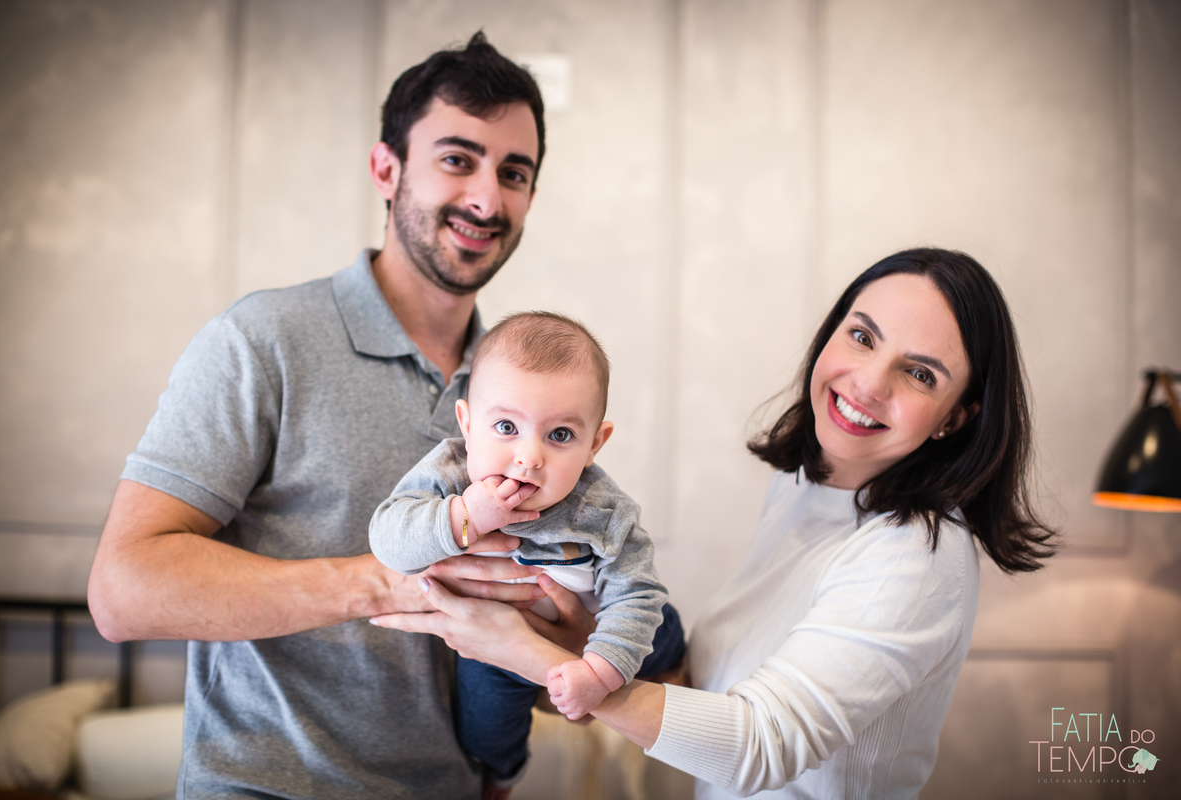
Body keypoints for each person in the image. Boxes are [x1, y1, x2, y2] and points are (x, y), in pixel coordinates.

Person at [374, 248, 1058, 799]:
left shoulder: (920, 555)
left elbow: (757, 747)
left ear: (959, 416)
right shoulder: (802, 489)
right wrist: (584, 643)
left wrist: (525, 653)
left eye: (919, 374)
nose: (868, 383)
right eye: (862, 335)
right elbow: (705, 690)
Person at [87, 32, 558, 799]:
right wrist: (381, 583)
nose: (486, 198)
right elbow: (123, 590)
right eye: (456, 158)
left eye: (514, 172)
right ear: (386, 168)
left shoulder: (523, 393)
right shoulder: (262, 340)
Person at [370, 311, 686, 788]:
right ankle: (500, 778)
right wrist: (466, 517)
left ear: (595, 445)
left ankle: (675, 664)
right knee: (485, 730)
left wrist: (598, 671)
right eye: (505, 427)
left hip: (603, 626)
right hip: (495, 646)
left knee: (663, 628)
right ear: (467, 423)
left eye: (560, 435)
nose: (529, 457)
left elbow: (637, 595)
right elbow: (387, 538)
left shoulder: (602, 509)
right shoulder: (449, 474)